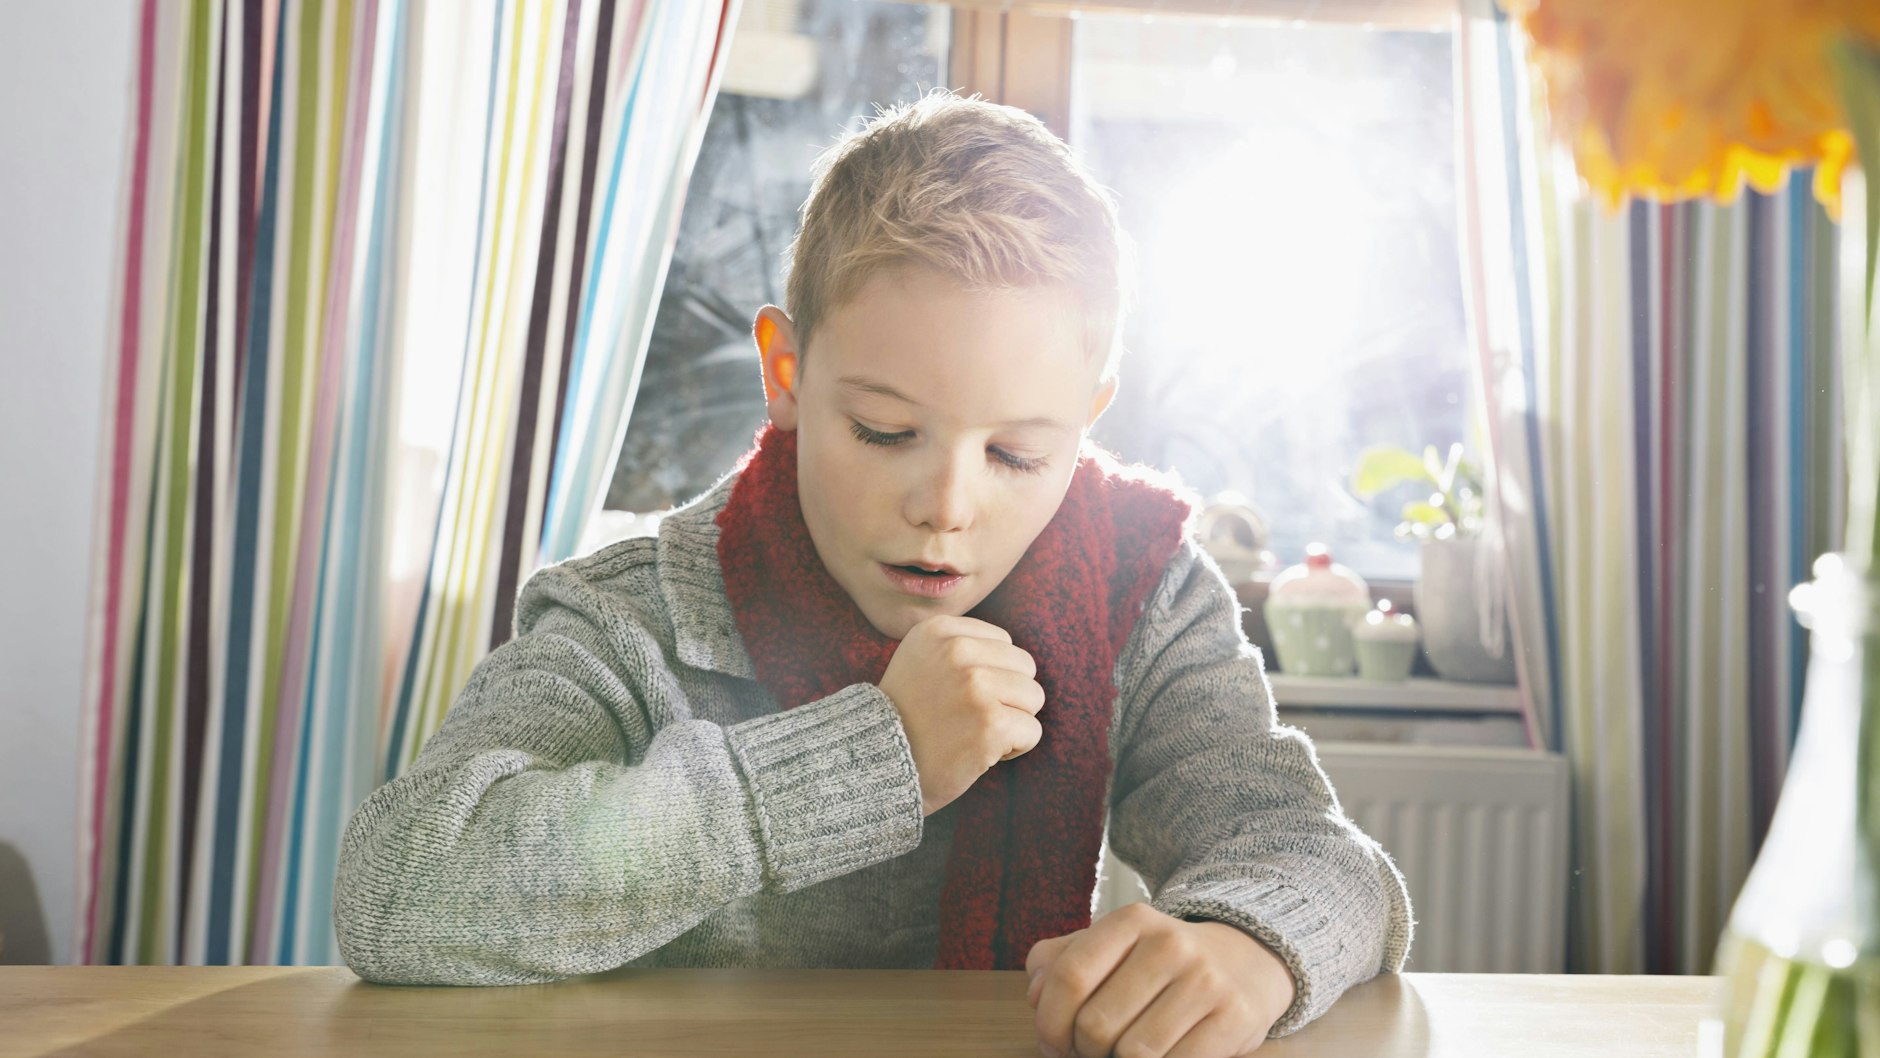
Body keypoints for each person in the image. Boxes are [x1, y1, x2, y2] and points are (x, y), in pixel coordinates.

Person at [334, 90, 1413, 1058]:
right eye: (885, 428)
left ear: (1087, 416)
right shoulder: (635, 613)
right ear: (787, 375)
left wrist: (1247, 942)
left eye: (1015, 453)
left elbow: (1317, 855)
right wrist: (867, 758)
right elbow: (400, 889)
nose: (947, 504)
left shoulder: (1144, 593)